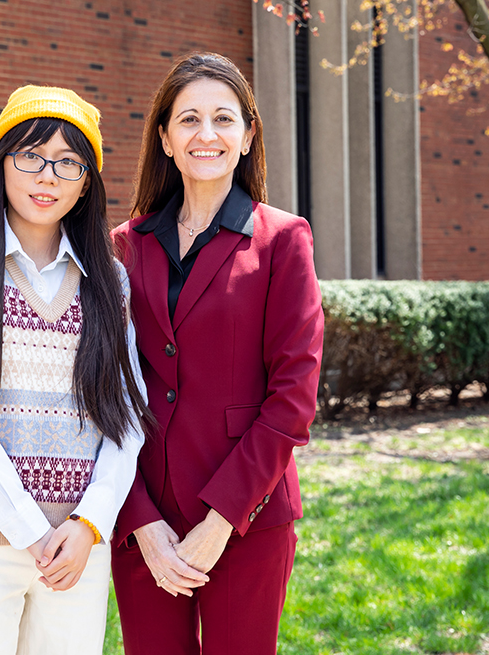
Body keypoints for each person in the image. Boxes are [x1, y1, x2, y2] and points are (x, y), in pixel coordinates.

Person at [0, 85, 152, 655]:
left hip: (76, 548)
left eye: (69, 162)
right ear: (2, 164)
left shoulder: (109, 283)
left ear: (86, 181)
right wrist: (30, 530)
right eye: (31, 156)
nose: (48, 176)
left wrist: (89, 523)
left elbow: (128, 414)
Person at [110, 53, 324, 655]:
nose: (207, 135)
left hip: (247, 514)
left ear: (248, 134)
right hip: (144, 519)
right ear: (165, 138)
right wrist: (139, 520)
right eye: (189, 120)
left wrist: (221, 520)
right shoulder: (126, 245)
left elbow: (293, 399)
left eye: (224, 119)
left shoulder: (283, 239)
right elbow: (108, 391)